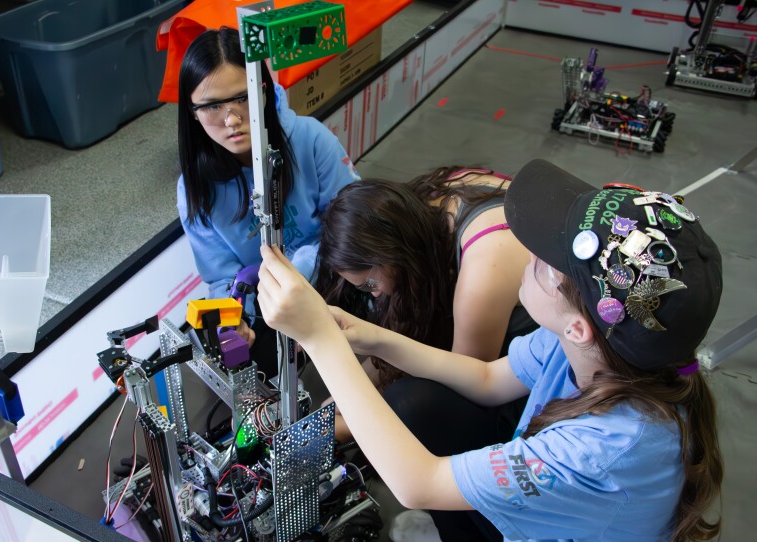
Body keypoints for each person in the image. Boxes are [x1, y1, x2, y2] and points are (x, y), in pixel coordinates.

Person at [257, 159, 723, 542]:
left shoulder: (600, 453)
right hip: (548, 511)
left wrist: (320, 340)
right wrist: (366, 335)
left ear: (580, 324)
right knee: (418, 405)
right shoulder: (588, 346)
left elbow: (418, 482)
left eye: (545, 261)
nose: (524, 249)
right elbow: (484, 379)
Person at [176, 27, 359, 375]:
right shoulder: (194, 189)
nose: (231, 119)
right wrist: (233, 319)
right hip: (268, 304)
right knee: (241, 364)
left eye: (242, 97)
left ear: (263, 91)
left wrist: (298, 269)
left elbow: (355, 224)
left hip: (336, 280)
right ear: (193, 111)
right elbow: (221, 276)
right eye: (213, 105)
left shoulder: (309, 138)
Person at [316, 170, 537, 442]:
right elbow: (405, 332)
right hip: (497, 359)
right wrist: (342, 396)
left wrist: (347, 429)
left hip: (532, 392)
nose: (375, 295)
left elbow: (472, 381)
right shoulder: (423, 205)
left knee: (410, 403)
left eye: (370, 285)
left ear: (389, 253)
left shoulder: (484, 270)